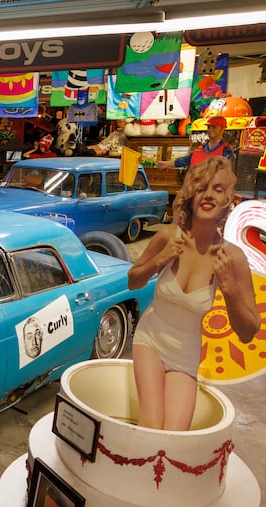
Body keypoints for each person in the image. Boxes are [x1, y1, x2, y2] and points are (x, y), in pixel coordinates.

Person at [128, 156, 259, 431]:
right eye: (202, 188)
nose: (209, 195)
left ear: (228, 201)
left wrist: (231, 290)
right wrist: (158, 261)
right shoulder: (168, 236)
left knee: (176, 435)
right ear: (191, 194)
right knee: (152, 423)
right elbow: (133, 282)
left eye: (218, 189)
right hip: (150, 339)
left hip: (185, 354)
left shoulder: (231, 258)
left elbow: (248, 332)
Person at [157, 116, 233, 170]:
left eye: (214, 128)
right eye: (209, 127)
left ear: (222, 129)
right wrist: (167, 164)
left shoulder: (226, 150)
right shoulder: (200, 149)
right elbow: (186, 160)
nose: (210, 130)